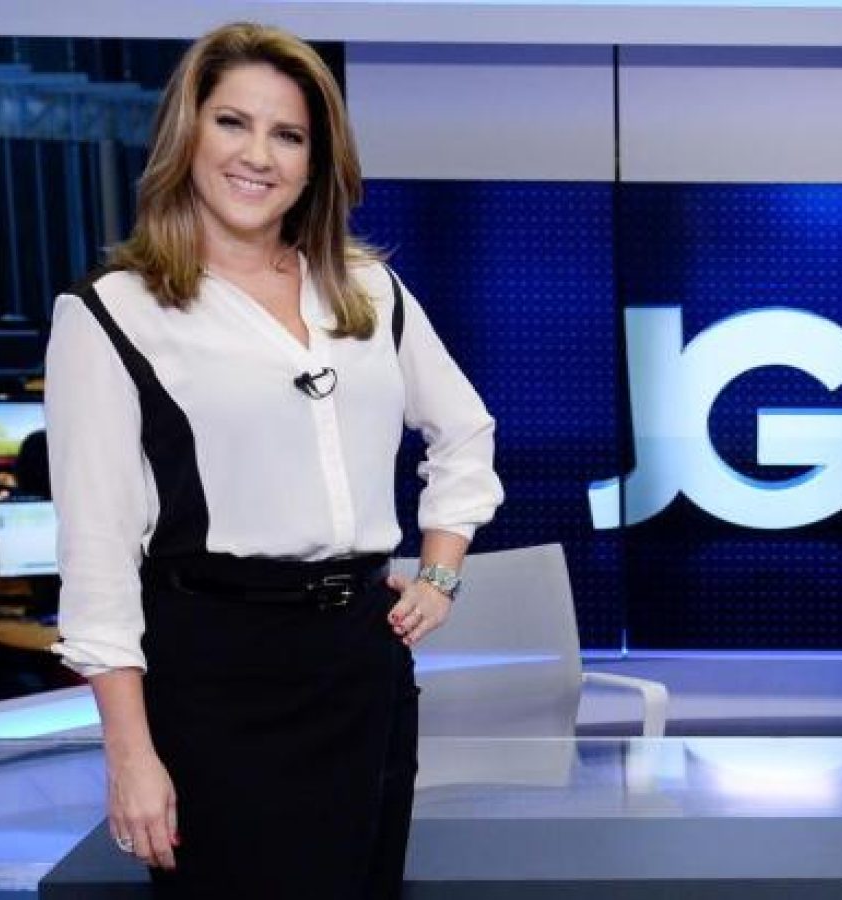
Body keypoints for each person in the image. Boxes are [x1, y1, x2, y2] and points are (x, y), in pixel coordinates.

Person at [45, 22, 502, 899]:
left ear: (315, 161)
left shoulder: (369, 291)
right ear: (187, 135)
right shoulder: (113, 313)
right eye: (233, 123)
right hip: (215, 676)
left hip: (362, 665)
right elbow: (97, 552)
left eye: (287, 135)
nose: (258, 155)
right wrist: (130, 755)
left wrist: (440, 572)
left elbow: (465, 431)